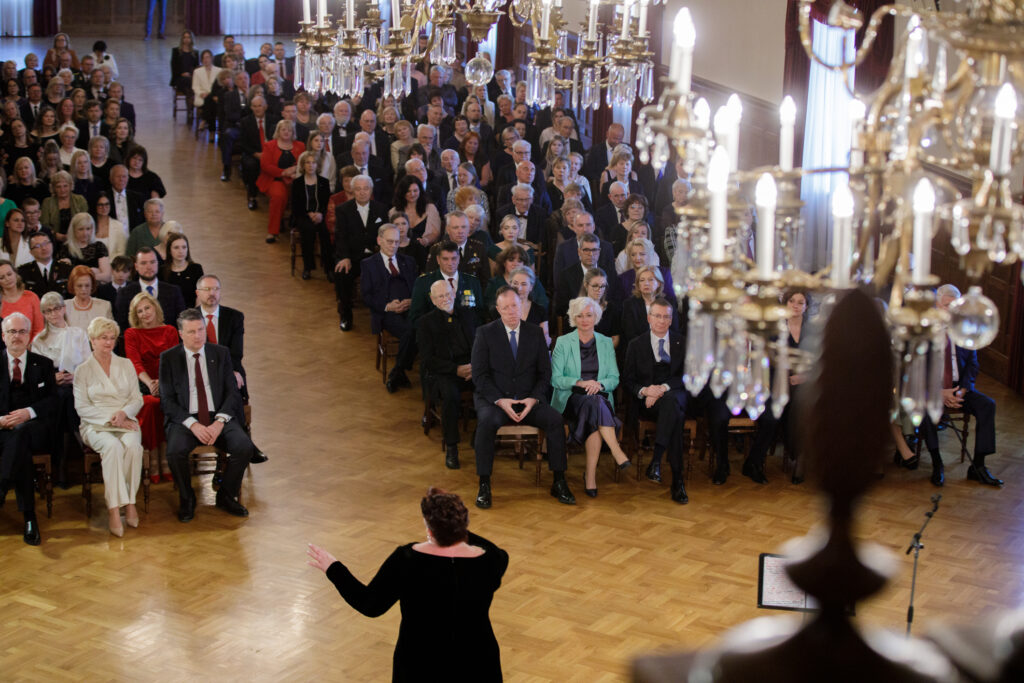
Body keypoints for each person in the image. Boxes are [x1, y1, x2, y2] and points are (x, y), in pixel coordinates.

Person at [307, 487, 508, 682]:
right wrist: (453, 525)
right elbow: (496, 551)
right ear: (463, 524)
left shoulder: (406, 560)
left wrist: (333, 568)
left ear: (429, 529)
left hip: (419, 665)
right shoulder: (490, 560)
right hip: (478, 664)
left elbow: (370, 605)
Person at [471, 287, 576, 509]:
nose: (511, 311)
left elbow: (544, 373)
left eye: (514, 306)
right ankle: (484, 485)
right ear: (498, 309)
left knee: (555, 420)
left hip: (528, 400)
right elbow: (480, 376)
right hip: (496, 400)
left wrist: (534, 399)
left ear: (521, 306)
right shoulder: (485, 333)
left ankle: (559, 481)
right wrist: (500, 401)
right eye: (506, 307)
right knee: (486, 423)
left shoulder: (535, 333)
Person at [158, 308, 255, 522]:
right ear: (180, 334)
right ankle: (187, 498)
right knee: (174, 452)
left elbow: (232, 393)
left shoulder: (220, 353)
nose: (198, 336)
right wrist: (193, 425)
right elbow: (167, 401)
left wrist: (219, 422)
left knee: (244, 447)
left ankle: (226, 495)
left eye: (201, 330)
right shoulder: (169, 358)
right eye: (191, 332)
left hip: (218, 415)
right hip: (186, 419)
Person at [915, 284, 1002, 487]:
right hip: (932, 390)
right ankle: (937, 463)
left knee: (987, 405)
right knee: (925, 411)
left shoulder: (965, 329)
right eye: (947, 305)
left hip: (959, 389)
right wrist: (939, 392)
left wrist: (962, 390)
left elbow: (973, 365)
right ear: (936, 306)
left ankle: (978, 466)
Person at [551, 297, 632, 497]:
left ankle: (591, 477)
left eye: (589, 315)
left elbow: (614, 378)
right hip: (571, 396)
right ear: (573, 318)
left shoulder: (605, 342)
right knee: (594, 405)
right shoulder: (563, 342)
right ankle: (614, 452)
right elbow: (556, 379)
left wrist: (600, 385)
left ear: (596, 317)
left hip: (598, 396)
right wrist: (580, 382)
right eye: (579, 316)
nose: (585, 319)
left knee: (594, 405)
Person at [73, 316, 144, 537]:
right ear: (92, 340)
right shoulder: (82, 370)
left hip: (126, 419)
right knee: (112, 447)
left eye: (112, 338)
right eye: (103, 338)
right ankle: (113, 509)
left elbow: (137, 398)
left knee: (134, 447)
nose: (108, 342)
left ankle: (130, 502)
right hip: (95, 423)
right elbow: (82, 407)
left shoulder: (126, 364)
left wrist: (124, 414)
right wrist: (112, 418)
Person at [622, 297, 690, 504]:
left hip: (675, 393)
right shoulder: (636, 344)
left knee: (672, 403)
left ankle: (657, 460)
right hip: (649, 403)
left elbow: (687, 376)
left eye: (666, 317)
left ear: (671, 319)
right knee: (675, 414)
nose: (661, 320)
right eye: (657, 316)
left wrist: (663, 388)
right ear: (649, 318)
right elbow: (628, 380)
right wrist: (645, 391)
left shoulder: (682, 342)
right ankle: (676, 480)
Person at [194, 274, 268, 464]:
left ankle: (237, 446)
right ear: (197, 293)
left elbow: (236, 353)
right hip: (200, 372)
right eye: (207, 289)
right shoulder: (188, 318)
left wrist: (229, 372)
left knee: (234, 383)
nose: (212, 293)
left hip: (229, 369)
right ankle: (244, 444)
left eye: (216, 289)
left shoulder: (234, 317)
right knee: (225, 386)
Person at [0, 312, 57, 545]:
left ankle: (1, 487)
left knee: (22, 433)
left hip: (34, 429)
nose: (17, 336)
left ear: (29, 335)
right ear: (3, 336)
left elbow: (53, 400)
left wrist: (29, 412)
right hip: (2, 429)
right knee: (20, 450)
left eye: (22, 331)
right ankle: (29, 517)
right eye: (12, 331)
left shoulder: (43, 364)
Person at [418, 281, 478, 469]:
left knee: (491, 386)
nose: (445, 299)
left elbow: (480, 344)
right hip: (444, 371)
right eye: (440, 296)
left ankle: (481, 434)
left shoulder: (468, 314)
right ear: (433, 300)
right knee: (451, 395)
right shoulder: (425, 323)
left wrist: (475, 366)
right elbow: (427, 360)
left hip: (471, 367)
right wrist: (455, 369)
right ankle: (452, 447)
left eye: (447, 294)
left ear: (454, 293)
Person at [32, 291, 90, 486]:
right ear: (43, 314)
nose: (53, 314)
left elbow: (88, 364)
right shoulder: (39, 340)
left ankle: (62, 465)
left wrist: (75, 377)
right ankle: (82, 445)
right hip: (52, 387)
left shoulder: (78, 333)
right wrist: (51, 379)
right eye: (48, 311)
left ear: (64, 309)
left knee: (67, 396)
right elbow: (37, 375)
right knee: (62, 396)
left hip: (76, 382)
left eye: (56, 309)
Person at [123, 291, 179, 484]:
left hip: (168, 383)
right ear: (135, 315)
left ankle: (165, 457)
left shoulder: (170, 331)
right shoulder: (132, 334)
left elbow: (174, 362)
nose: (145, 313)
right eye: (140, 311)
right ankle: (154, 459)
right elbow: (135, 363)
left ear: (155, 308)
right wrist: (150, 383)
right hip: (142, 384)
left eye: (147, 308)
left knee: (165, 404)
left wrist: (162, 384)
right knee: (150, 404)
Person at [361, 224, 419, 392]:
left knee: (422, 327)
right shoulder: (368, 264)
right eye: (389, 241)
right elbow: (367, 296)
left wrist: (411, 301)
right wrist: (387, 306)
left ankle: (397, 372)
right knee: (411, 331)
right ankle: (398, 373)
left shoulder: (408, 261)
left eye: (396, 242)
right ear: (379, 240)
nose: (393, 246)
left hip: (409, 308)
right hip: (386, 313)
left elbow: (418, 288)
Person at [333, 175, 390, 331]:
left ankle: (383, 315)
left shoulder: (381, 208)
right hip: (352, 257)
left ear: (371, 190)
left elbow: (385, 234)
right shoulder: (343, 210)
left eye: (366, 188)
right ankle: (346, 316)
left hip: (375, 256)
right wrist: (345, 257)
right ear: (353, 191)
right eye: (358, 189)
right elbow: (340, 236)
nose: (362, 192)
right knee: (342, 273)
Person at [408, 240, 484, 325]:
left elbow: (480, 314)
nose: (450, 263)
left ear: (459, 259)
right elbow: (415, 317)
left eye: (454, 258)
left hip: (467, 330)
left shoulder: (472, 281)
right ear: (438, 260)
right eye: (445, 259)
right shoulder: (424, 282)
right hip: (435, 331)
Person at [256, 120, 304, 244]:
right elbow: (265, 165)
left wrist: (294, 170)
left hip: (295, 179)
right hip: (275, 179)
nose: (286, 132)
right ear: (278, 131)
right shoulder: (269, 145)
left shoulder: (300, 146)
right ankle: (272, 231)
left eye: (289, 130)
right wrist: (283, 173)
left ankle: (300, 228)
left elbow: (303, 163)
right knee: (278, 196)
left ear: (293, 132)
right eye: (283, 129)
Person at [114, 248, 186, 330]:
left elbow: (181, 324)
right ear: (136, 266)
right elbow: (121, 326)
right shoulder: (124, 293)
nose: (149, 267)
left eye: (152, 262)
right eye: (143, 263)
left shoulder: (173, 291)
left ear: (157, 264)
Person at [291, 150, 331, 280]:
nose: (311, 165)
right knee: (308, 230)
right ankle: (308, 267)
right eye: (307, 162)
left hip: (321, 215)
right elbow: (295, 206)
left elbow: (326, 203)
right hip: (303, 215)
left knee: (326, 231)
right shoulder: (297, 183)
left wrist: (320, 214)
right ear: (303, 165)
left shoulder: (324, 182)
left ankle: (328, 268)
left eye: (313, 163)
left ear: (317, 165)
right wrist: (309, 214)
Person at [621, 265, 678, 343]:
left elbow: (674, 330)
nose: (646, 284)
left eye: (650, 280)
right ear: (638, 285)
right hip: (639, 346)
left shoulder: (669, 302)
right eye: (642, 280)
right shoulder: (629, 304)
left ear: (659, 283)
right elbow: (630, 335)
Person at [58, 212, 111, 282]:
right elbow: (66, 276)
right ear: (74, 230)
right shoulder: (66, 248)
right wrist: (93, 272)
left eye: (88, 229)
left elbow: (107, 277)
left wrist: (79, 275)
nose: (85, 233)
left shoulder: (99, 246)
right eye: (81, 229)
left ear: (92, 229)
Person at [0, 259, 44, 338]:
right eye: (2, 277)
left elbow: (39, 328)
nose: (7, 279)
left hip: (32, 344)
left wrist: (31, 344)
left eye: (9, 274)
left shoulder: (31, 297)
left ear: (15, 274)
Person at [19, 232, 71, 298]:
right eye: (38, 246)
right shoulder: (23, 272)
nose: (44, 248)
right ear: (31, 252)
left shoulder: (66, 269)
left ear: (52, 245)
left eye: (46, 243)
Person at [40, 170, 88, 240]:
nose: (62, 190)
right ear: (54, 188)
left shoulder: (80, 200)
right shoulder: (47, 202)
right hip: (53, 239)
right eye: (58, 187)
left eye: (65, 186)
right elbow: (44, 225)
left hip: (78, 238)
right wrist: (56, 235)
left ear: (71, 186)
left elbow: (85, 221)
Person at [64, 265, 112, 332]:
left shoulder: (104, 306)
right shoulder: (63, 307)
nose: (83, 289)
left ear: (92, 286)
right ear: (73, 286)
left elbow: (110, 333)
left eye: (87, 285)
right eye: (79, 286)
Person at [90, 190, 128, 258]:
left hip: (114, 263)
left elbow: (121, 252)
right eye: (100, 205)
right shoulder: (89, 225)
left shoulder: (118, 226)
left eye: (107, 204)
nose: (104, 208)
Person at [108, 165, 145, 230]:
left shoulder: (138, 198)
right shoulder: (105, 198)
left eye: (124, 176)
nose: (121, 179)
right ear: (111, 179)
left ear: (128, 178)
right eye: (118, 176)